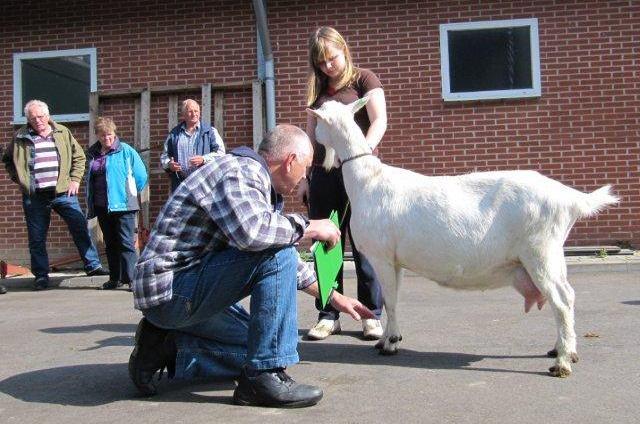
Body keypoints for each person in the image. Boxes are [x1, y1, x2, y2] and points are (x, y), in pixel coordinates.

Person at [129, 124, 374, 408]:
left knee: (258, 346)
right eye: (305, 168)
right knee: (267, 341)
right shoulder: (240, 172)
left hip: (183, 293)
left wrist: (334, 298)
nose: (304, 177)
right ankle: (263, 377)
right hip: (172, 292)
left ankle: (164, 347)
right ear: (290, 160)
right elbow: (254, 234)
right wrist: (309, 226)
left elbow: (277, 252)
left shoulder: (254, 184)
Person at [298, 26, 387, 340]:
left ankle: (370, 314)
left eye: (331, 58)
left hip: (361, 174)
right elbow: (310, 136)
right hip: (324, 175)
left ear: (343, 50)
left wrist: (360, 153)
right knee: (326, 242)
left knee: (365, 243)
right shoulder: (318, 90)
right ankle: (328, 313)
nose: (328, 66)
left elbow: (379, 120)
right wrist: (306, 177)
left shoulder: (364, 79)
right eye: (321, 62)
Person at [2, 100, 107, 291]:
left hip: (63, 192)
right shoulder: (20, 136)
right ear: (28, 119)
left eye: (41, 117)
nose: (38, 121)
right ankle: (41, 276)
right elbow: (8, 159)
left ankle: (93, 266)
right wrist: (21, 179)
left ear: (48, 116)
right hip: (35, 196)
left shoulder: (63, 133)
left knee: (79, 228)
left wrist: (75, 180)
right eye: (33, 118)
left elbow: (79, 157)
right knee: (37, 237)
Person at [86, 117, 148, 290]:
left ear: (115, 134)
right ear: (97, 135)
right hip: (102, 206)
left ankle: (132, 280)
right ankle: (115, 278)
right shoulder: (92, 154)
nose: (107, 138)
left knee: (126, 243)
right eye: (103, 135)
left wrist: (129, 193)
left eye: (110, 135)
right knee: (110, 243)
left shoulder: (126, 151)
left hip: (124, 205)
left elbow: (141, 176)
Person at [160, 99, 225, 192]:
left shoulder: (210, 132)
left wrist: (204, 159)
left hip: (204, 185)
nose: (194, 114)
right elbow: (165, 156)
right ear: (184, 115)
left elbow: (221, 153)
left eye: (196, 111)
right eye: (190, 111)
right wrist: (169, 165)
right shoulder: (174, 134)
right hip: (181, 185)